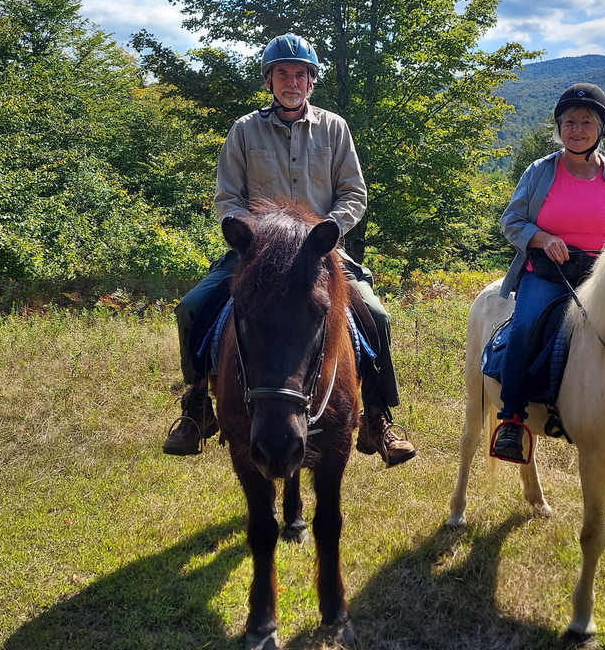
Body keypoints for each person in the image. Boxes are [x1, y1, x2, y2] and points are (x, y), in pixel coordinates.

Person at [163, 32, 416, 467]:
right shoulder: (244, 130)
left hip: (319, 255)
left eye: (300, 74)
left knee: (376, 315)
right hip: (257, 254)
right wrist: (250, 235)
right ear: (269, 81)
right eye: (283, 73)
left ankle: (377, 413)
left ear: (311, 82)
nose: (292, 81)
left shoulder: (335, 128)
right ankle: (198, 404)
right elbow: (227, 197)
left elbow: (353, 193)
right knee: (192, 308)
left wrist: (327, 231)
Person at [490, 83, 605, 462]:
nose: (576, 128)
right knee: (525, 325)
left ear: (601, 130)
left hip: (604, 278)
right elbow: (511, 222)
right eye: (569, 121)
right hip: (548, 274)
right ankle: (512, 418)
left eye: (586, 121)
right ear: (559, 127)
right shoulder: (540, 172)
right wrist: (541, 237)